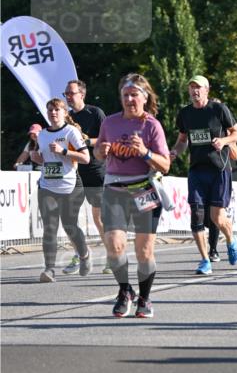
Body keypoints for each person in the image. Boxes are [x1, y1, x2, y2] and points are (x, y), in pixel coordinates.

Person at [96, 73, 171, 318]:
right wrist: (101, 150)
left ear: (144, 97)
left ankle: (145, 298)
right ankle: (124, 290)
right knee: (115, 245)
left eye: (134, 95)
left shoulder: (151, 125)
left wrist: (145, 152)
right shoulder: (109, 122)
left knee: (144, 251)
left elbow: (165, 165)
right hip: (115, 189)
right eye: (125, 95)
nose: (129, 99)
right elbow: (98, 152)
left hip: (144, 190)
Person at [170, 75, 237, 274]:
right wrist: (175, 151)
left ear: (207, 90)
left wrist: (224, 141)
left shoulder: (219, 109)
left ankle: (230, 239)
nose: (195, 91)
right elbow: (183, 139)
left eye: (198, 87)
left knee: (217, 217)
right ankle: (204, 260)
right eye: (191, 87)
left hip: (219, 169)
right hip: (197, 170)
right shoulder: (185, 113)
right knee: (197, 214)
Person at [31, 98, 91, 283]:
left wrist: (63, 151)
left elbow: (85, 158)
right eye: (49, 110)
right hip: (47, 186)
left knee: (69, 226)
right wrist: (37, 158)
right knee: (50, 228)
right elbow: (45, 159)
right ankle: (49, 269)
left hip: (70, 186)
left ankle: (84, 255)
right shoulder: (41, 134)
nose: (53, 113)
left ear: (65, 112)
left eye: (57, 109)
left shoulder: (70, 131)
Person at [61, 79, 110, 274]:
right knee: (69, 220)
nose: (68, 97)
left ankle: (111, 256)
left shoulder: (95, 113)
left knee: (99, 219)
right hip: (73, 173)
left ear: (82, 94)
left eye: (71, 93)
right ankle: (80, 254)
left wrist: (87, 140)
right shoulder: (66, 118)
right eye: (66, 94)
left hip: (95, 171)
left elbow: (106, 139)